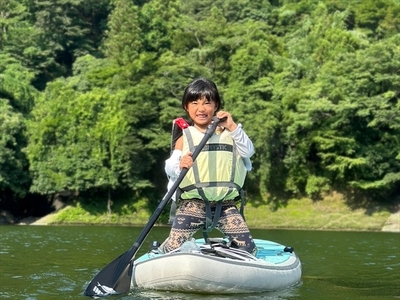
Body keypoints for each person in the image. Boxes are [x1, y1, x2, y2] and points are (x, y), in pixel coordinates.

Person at [160, 77, 256, 254]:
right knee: (172, 248)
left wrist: (232, 126)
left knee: (248, 249)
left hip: (225, 204)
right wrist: (180, 164)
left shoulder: (232, 132)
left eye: (207, 103)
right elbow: (170, 166)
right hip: (193, 203)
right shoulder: (184, 136)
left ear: (216, 106)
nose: (201, 108)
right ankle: (164, 248)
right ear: (186, 107)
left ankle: (223, 253)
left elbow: (248, 151)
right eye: (195, 103)